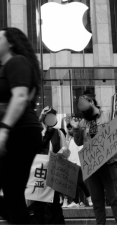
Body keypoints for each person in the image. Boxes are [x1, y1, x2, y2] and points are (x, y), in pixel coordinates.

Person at [0, 27, 42, 224]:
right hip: (3, 135)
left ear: (10, 43)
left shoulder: (18, 62)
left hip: (21, 133)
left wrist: (4, 131)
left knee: (13, 193)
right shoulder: (0, 70)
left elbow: (20, 97)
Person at [70, 90, 117, 224]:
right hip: (91, 166)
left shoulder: (108, 116)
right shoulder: (83, 123)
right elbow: (79, 142)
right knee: (97, 202)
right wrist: (76, 129)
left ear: (91, 102)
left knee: (114, 199)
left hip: (109, 163)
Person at [29, 107, 70, 224]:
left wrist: (61, 153)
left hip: (54, 173)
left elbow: (65, 150)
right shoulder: (35, 132)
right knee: (38, 205)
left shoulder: (58, 133)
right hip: (37, 174)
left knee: (55, 204)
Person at [63, 123, 92, 208]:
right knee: (74, 182)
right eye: (68, 129)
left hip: (78, 163)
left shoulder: (78, 138)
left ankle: (88, 198)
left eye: (70, 128)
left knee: (79, 181)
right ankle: (77, 201)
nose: (69, 130)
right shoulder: (69, 139)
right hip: (71, 163)